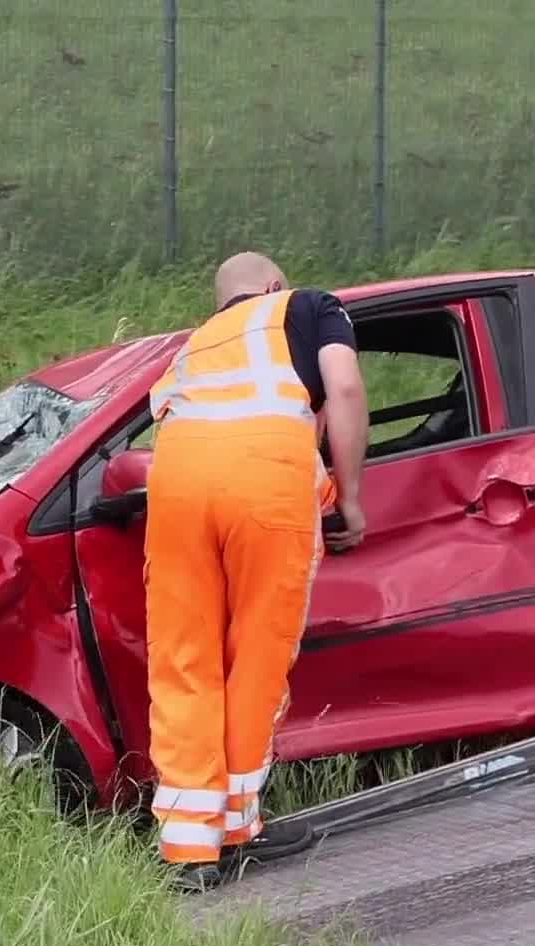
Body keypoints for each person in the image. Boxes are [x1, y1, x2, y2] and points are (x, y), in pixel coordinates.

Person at [142, 251, 368, 892]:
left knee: (184, 658)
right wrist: (349, 496)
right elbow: (345, 388)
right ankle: (240, 827)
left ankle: (187, 848)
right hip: (264, 486)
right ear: (273, 287)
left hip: (177, 489)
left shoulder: (193, 345)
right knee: (257, 657)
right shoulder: (307, 306)